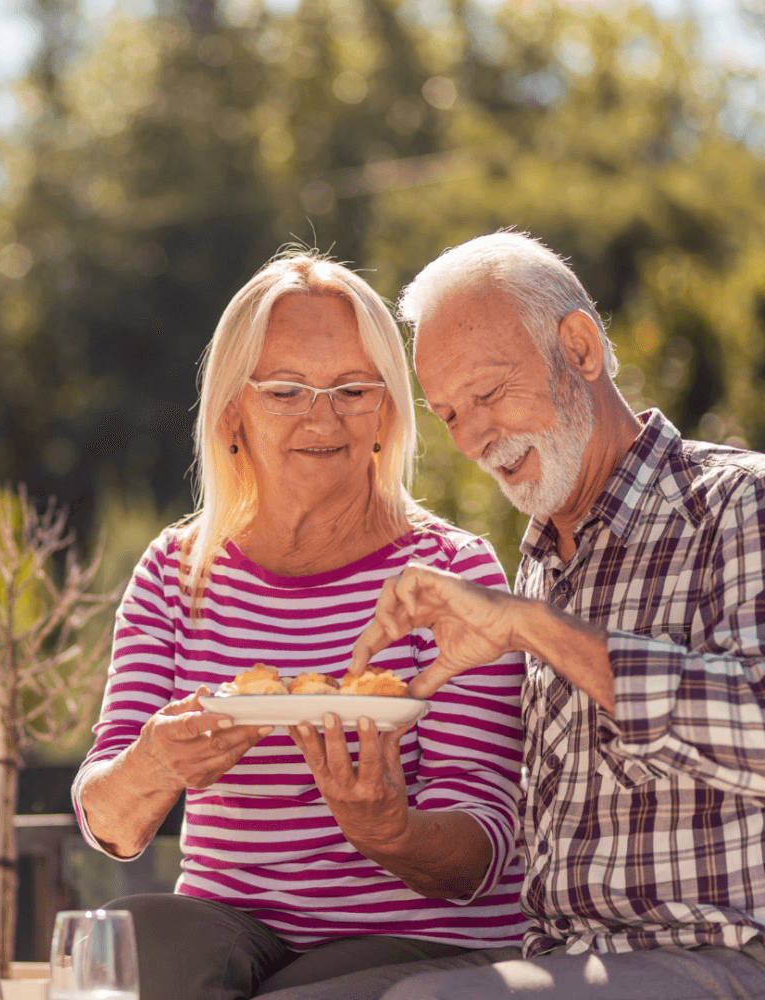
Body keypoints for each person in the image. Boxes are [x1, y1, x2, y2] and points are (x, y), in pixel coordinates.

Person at [70, 251, 528, 1000]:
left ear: (386, 412)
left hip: (415, 938)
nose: (324, 418)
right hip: (233, 931)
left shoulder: (450, 575)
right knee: (133, 941)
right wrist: (157, 763)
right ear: (232, 413)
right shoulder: (175, 571)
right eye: (285, 390)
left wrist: (389, 829)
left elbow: (484, 843)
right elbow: (113, 825)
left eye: (352, 390)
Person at [324, 230, 765, 999]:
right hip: (560, 960)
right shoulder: (540, 559)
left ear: (581, 348)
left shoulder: (738, 505)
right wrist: (385, 821)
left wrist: (535, 628)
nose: (474, 437)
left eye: (489, 395)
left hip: (725, 953)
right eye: (449, 414)